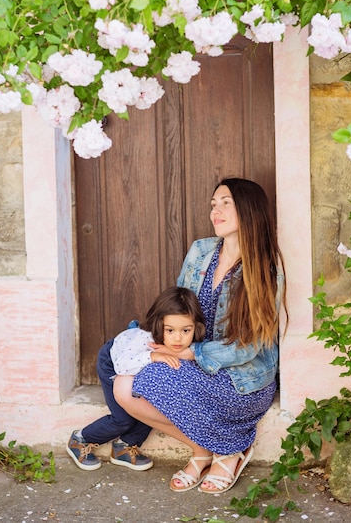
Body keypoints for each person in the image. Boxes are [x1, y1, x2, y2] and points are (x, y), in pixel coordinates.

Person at [114, 178, 288, 493]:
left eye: (225, 203)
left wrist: (193, 354)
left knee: (144, 382)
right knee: (124, 387)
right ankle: (210, 449)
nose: (215, 211)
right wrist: (164, 344)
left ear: (248, 210)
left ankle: (224, 450)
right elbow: (180, 308)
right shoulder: (201, 251)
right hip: (194, 364)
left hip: (242, 379)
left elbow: (247, 346)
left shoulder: (266, 268)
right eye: (213, 204)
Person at [66, 286, 205, 471]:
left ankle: (124, 446)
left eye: (186, 331)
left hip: (139, 369)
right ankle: (81, 439)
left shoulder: (190, 347)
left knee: (151, 409)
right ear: (159, 324)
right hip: (115, 363)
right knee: (123, 419)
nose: (178, 338)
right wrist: (152, 356)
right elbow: (123, 366)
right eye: (170, 330)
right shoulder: (144, 339)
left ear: (196, 326)